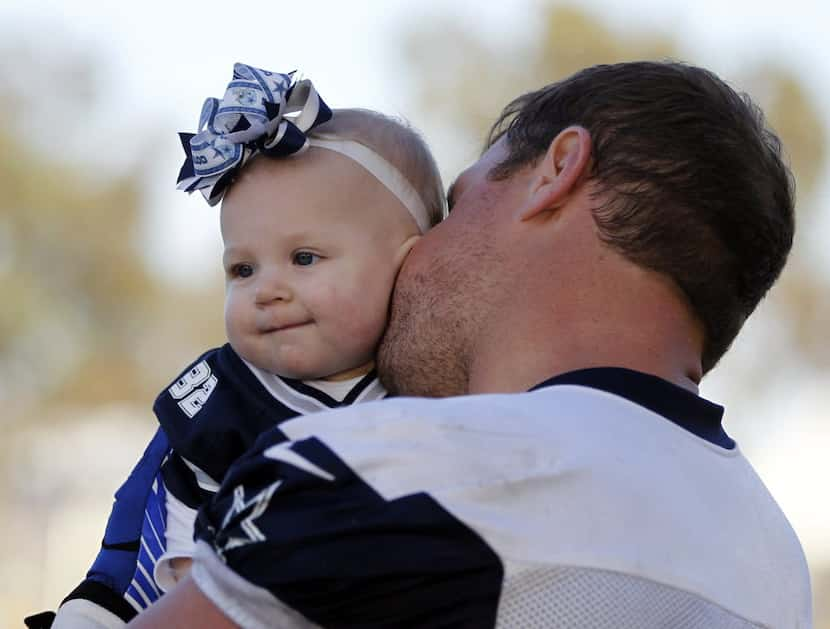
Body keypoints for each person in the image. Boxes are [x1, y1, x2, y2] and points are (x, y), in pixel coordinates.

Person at [128, 61, 812, 628]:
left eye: (452, 207)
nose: (415, 251)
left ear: (556, 171)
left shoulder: (394, 466)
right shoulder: (774, 559)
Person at [27, 64, 445, 629]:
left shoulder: (440, 390)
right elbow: (157, 542)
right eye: (242, 268)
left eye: (304, 259)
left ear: (408, 266)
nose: (267, 290)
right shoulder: (228, 394)